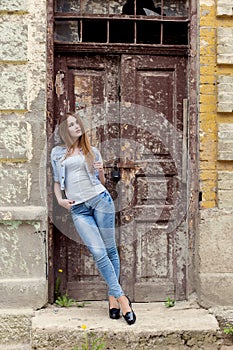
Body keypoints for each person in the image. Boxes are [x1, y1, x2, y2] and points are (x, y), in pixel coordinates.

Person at [51, 112, 136, 325]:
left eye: (78, 123)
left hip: (100, 201)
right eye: (71, 124)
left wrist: (100, 172)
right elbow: (56, 180)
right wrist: (60, 200)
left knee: (110, 250)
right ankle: (122, 298)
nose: (76, 126)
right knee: (98, 252)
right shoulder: (57, 153)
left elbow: (102, 181)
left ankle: (112, 299)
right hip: (78, 209)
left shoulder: (92, 150)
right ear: (65, 130)